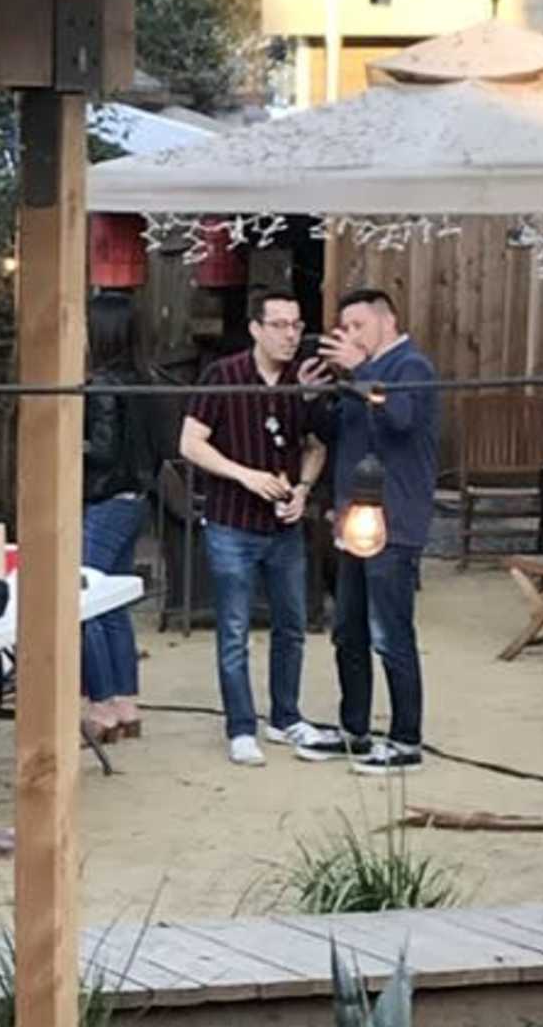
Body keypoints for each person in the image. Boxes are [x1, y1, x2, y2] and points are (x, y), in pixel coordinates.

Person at [178, 279, 319, 761]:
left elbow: (317, 445)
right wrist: (245, 476)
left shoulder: (306, 378)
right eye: (279, 325)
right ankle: (240, 727)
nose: (290, 334)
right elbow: (191, 443)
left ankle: (286, 717)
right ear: (255, 328)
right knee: (234, 627)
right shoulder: (224, 374)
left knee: (292, 625)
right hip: (231, 521)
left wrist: (303, 489)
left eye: (296, 325)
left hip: (285, 523)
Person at [302, 280, 440, 769]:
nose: (352, 335)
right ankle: (354, 729)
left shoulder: (411, 367)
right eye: (346, 328)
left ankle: (406, 740)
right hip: (353, 517)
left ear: (388, 321)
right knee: (348, 630)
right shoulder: (361, 378)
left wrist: (359, 372)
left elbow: (400, 419)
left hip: (396, 519)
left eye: (359, 325)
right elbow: (336, 431)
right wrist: (316, 395)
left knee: (390, 632)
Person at [75, 289, 166, 744]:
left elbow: (103, 449)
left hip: (106, 499)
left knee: (84, 600)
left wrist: (66, 442)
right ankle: (127, 702)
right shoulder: (147, 378)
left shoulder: (102, 387)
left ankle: (103, 704)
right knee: (113, 601)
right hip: (136, 498)